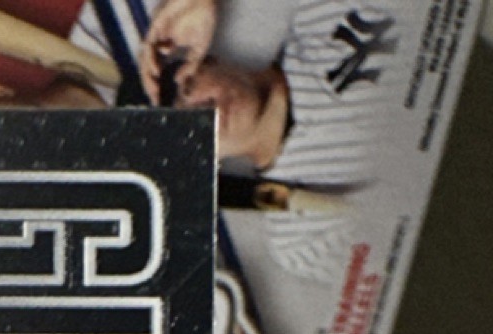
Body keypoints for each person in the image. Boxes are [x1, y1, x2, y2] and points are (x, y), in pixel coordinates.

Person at [58, 0, 393, 278]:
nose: (206, 112)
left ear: (206, 58)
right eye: (189, 132)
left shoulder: (321, 14)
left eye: (187, 88)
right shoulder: (299, 236)